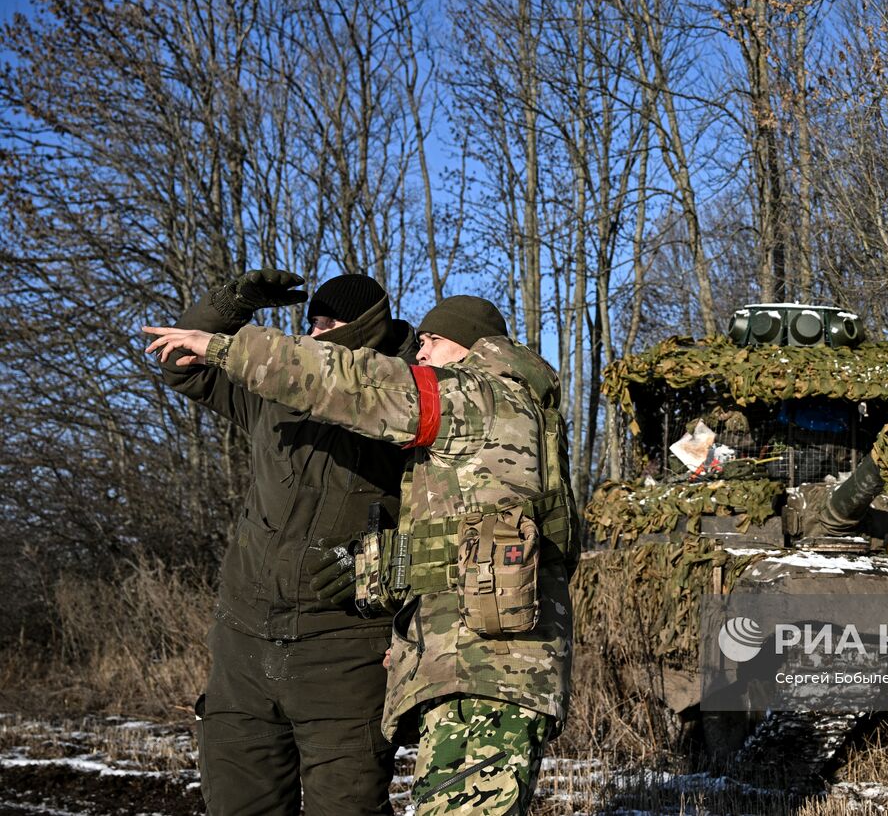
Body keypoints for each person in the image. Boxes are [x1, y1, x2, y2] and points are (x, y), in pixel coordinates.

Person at [146, 295, 576, 816]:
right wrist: (379, 571)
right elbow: (460, 544)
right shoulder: (515, 411)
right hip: (480, 668)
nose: (420, 355)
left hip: (487, 674)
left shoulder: (475, 397)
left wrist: (226, 347)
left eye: (431, 343)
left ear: (467, 347)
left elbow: (357, 385)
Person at [156, 269, 417, 816]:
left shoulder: (408, 400)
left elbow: (446, 523)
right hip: (243, 648)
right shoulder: (273, 392)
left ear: (366, 328)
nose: (315, 333)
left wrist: (389, 566)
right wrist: (229, 305)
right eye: (312, 322)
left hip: (344, 656)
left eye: (331, 324)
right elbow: (181, 365)